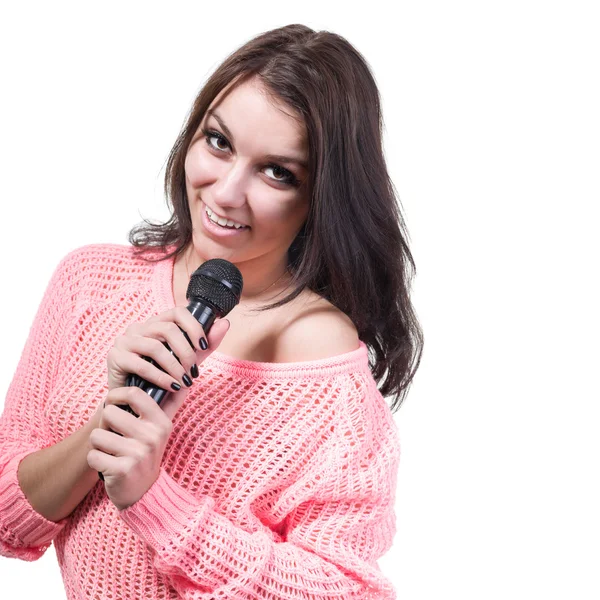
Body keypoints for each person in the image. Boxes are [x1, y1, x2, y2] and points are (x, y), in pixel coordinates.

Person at [0, 23, 423, 600]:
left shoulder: (327, 370)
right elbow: (8, 518)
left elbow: (344, 590)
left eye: (277, 172)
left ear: (321, 196)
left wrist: (155, 499)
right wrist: (108, 427)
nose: (225, 192)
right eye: (219, 142)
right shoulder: (91, 282)